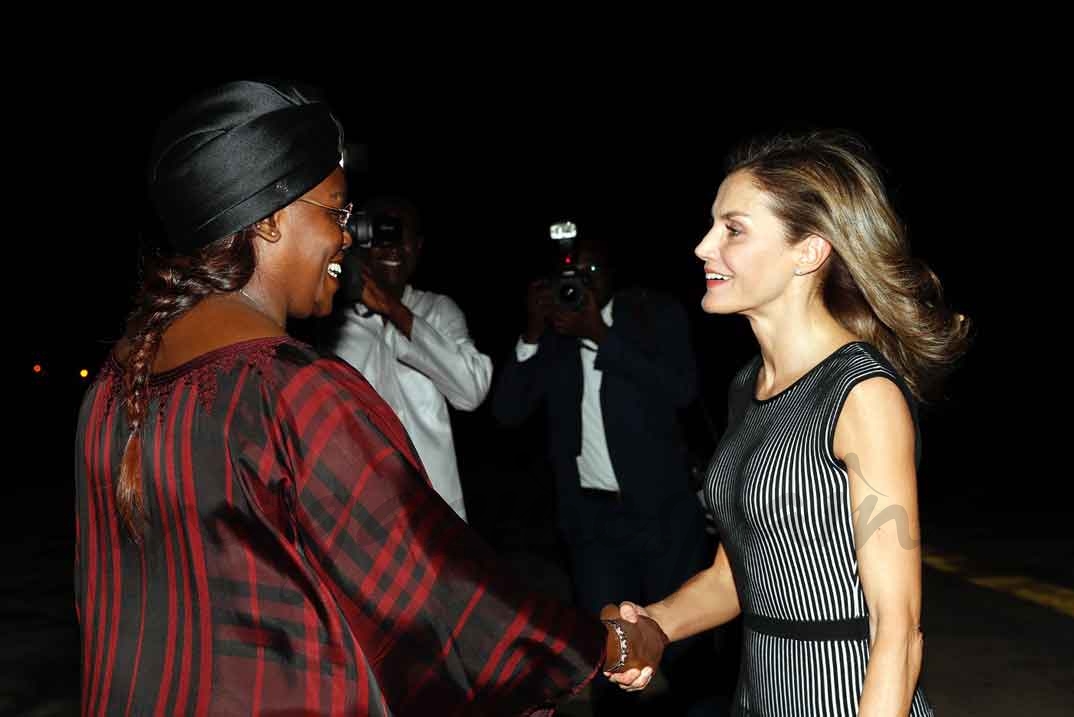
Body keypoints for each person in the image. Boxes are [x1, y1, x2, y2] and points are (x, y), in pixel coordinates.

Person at [74, 79, 667, 716]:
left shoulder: (115, 386)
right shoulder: (291, 389)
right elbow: (434, 599)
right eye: (334, 212)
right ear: (270, 220)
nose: (349, 238)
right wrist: (605, 645)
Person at [607, 130, 971, 716]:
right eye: (712, 225)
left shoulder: (860, 394)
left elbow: (897, 634)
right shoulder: (745, 386)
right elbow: (736, 577)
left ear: (808, 251)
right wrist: (655, 625)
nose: (703, 246)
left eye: (734, 228)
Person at [492, 236, 716, 715]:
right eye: (572, 277)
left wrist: (601, 335)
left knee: (683, 648)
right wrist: (532, 334)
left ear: (612, 274)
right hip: (593, 523)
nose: (582, 285)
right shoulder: (552, 337)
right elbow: (508, 411)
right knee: (613, 653)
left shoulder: (651, 315)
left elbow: (681, 388)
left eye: (592, 273)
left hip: (661, 517)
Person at [326, 195, 491, 521]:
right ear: (361, 239)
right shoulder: (332, 319)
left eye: (402, 237)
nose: (392, 247)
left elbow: (471, 392)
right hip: (363, 510)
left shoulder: (438, 311)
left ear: (417, 248)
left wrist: (395, 311)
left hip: (436, 507)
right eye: (383, 234)